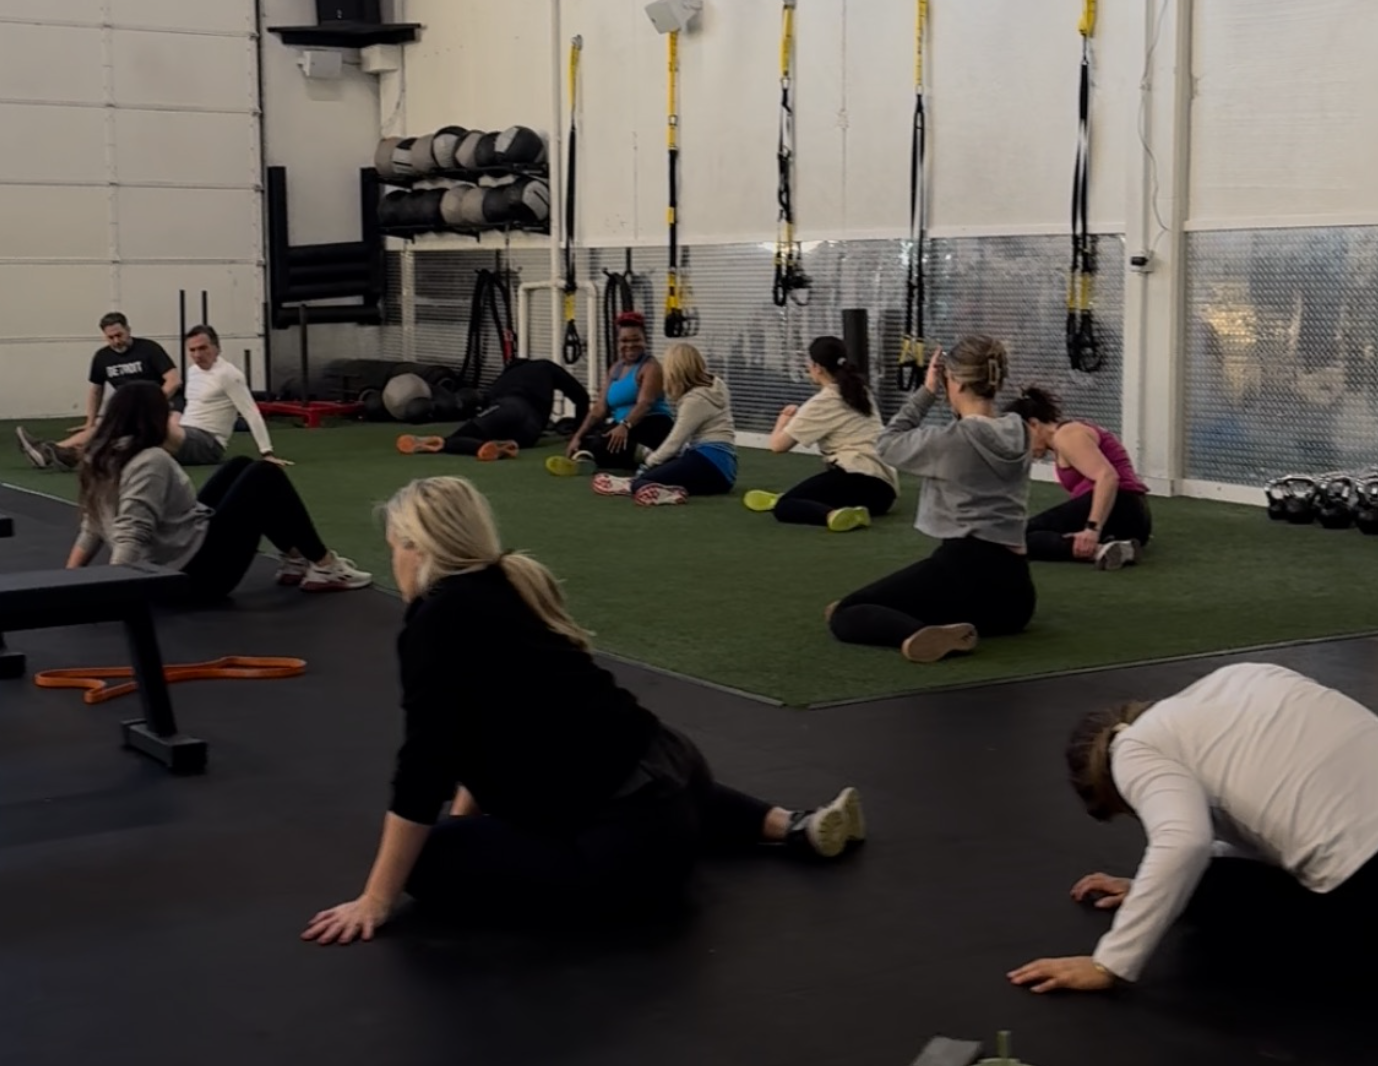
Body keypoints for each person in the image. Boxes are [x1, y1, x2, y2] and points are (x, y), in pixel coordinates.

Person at [300, 475, 866, 945]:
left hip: (634, 856)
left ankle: (697, 846)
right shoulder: (513, 582)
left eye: (395, 544)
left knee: (426, 863)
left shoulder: (435, 621)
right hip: (680, 775)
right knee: (618, 774)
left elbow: (425, 764)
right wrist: (472, 820)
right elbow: (476, 737)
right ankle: (792, 825)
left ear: (418, 549)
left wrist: (376, 898)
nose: (392, 558)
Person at [1009, 662, 1378, 994]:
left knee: (1208, 888)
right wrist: (1150, 890)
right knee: (1202, 877)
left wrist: (1109, 963)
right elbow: (1277, 824)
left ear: (1109, 786)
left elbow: (1184, 844)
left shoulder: (1133, 749)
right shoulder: (1243, 677)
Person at [826, 336, 1034, 663]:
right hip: (1016, 599)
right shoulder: (1020, 430)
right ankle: (937, 625)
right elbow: (978, 434)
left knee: (846, 613)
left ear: (955, 382)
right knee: (870, 604)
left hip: (964, 570)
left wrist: (925, 393)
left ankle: (913, 633)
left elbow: (886, 442)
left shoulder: (951, 440)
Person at [65, 380, 371, 600]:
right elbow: (132, 532)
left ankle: (296, 559)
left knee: (239, 465)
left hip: (182, 551)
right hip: (198, 576)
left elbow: (93, 524)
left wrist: (70, 580)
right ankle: (325, 565)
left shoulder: (100, 457)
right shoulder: (149, 460)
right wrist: (115, 596)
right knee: (264, 475)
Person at [741, 336, 899, 533]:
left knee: (787, 506)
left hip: (856, 479)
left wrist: (783, 419)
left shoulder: (823, 401)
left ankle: (831, 515)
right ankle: (836, 508)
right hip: (884, 494)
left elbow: (777, 445)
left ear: (817, 367)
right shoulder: (861, 391)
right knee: (816, 491)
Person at [1003, 386, 1151, 571]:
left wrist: (1092, 529)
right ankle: (1117, 548)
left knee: (1015, 536)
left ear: (1033, 424)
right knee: (1021, 534)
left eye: (1019, 436)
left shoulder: (1067, 436)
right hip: (1131, 517)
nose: (1020, 446)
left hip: (1122, 506)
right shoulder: (1066, 437)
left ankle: (1097, 550)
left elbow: (1107, 477)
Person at [17, 311, 181, 471]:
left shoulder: (149, 349)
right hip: (128, 411)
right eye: (111, 337)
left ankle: (52, 452)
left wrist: (150, 404)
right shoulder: (102, 357)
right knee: (101, 427)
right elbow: (96, 390)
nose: (117, 341)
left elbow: (174, 380)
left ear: (128, 330)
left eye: (120, 335)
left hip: (166, 407)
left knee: (164, 432)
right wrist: (90, 421)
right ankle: (49, 452)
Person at [591, 343, 737, 507]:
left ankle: (633, 485)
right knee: (663, 473)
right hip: (724, 471)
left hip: (707, 463)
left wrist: (648, 463)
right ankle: (662, 489)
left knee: (646, 479)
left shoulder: (695, 401)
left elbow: (674, 442)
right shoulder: (717, 385)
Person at [545, 311, 673, 476]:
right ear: (617, 342)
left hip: (651, 423)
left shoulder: (651, 367)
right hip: (623, 427)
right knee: (587, 440)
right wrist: (577, 436)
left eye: (636, 339)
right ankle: (586, 459)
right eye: (625, 340)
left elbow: (645, 403)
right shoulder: (615, 369)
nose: (630, 345)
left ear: (645, 340)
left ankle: (653, 456)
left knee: (603, 442)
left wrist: (624, 426)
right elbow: (599, 408)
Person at [396, 356, 590, 460]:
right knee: (501, 432)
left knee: (460, 438)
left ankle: (447, 444)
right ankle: (501, 446)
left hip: (508, 408)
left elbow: (488, 407)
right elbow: (582, 397)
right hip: (531, 432)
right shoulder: (546, 367)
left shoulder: (503, 379)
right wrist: (578, 434)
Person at [172, 325, 287, 468]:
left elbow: (251, 413)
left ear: (217, 348)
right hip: (185, 433)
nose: (197, 355)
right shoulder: (193, 371)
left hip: (209, 444)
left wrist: (267, 453)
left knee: (156, 428)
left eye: (203, 348)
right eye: (192, 350)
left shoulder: (229, 375)